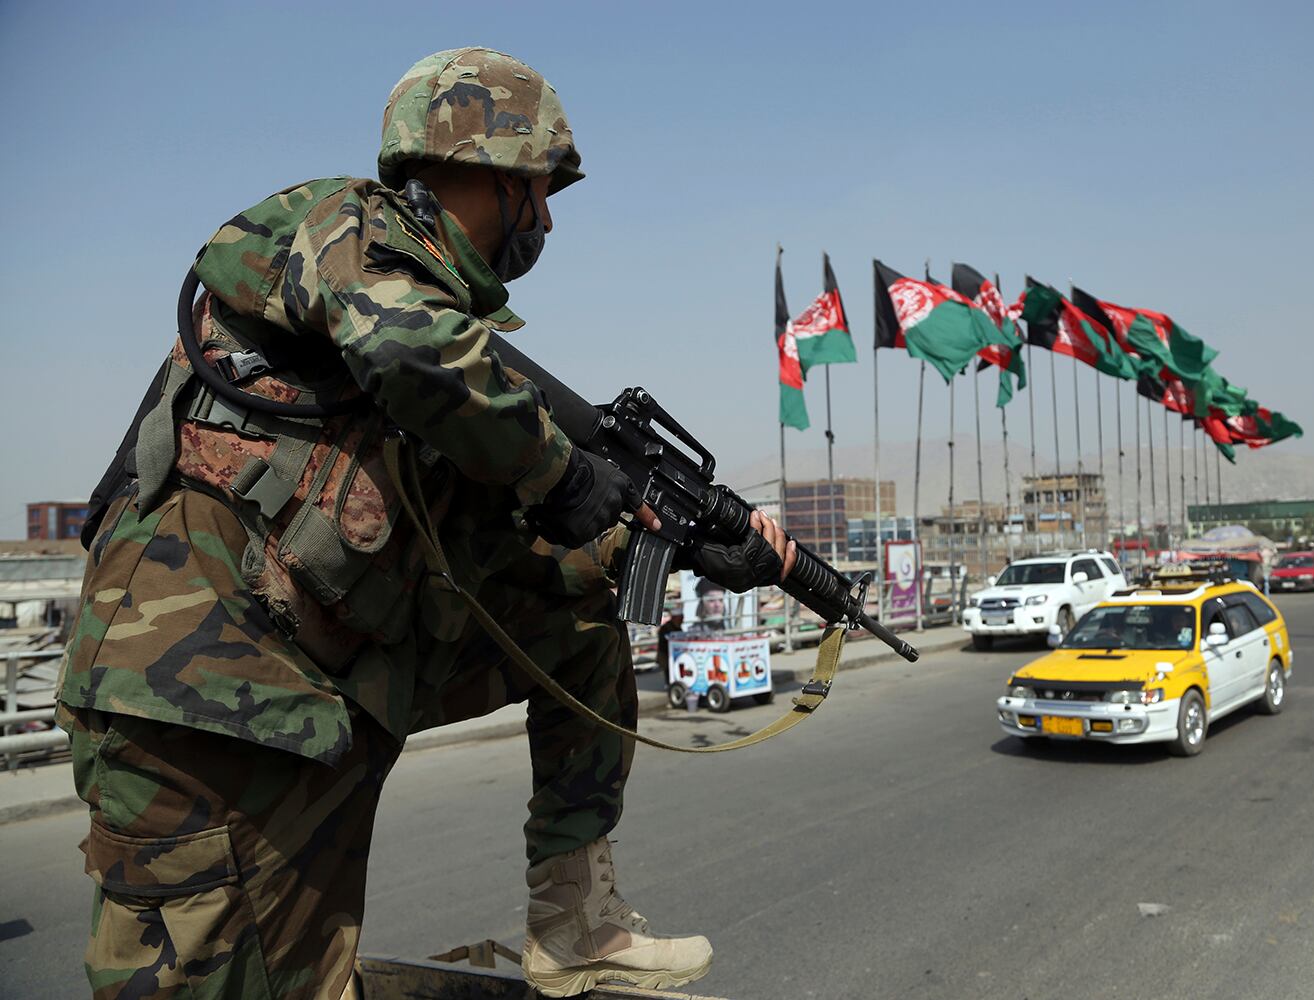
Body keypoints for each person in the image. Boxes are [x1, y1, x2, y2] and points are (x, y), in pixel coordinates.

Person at [56, 47, 794, 1000]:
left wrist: (686, 546)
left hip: (314, 700)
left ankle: (575, 923)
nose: (549, 216)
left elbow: (509, 553)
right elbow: (411, 351)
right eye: (542, 187)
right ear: (491, 170)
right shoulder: (344, 229)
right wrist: (563, 469)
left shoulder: (454, 378)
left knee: (579, 623)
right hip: (197, 707)